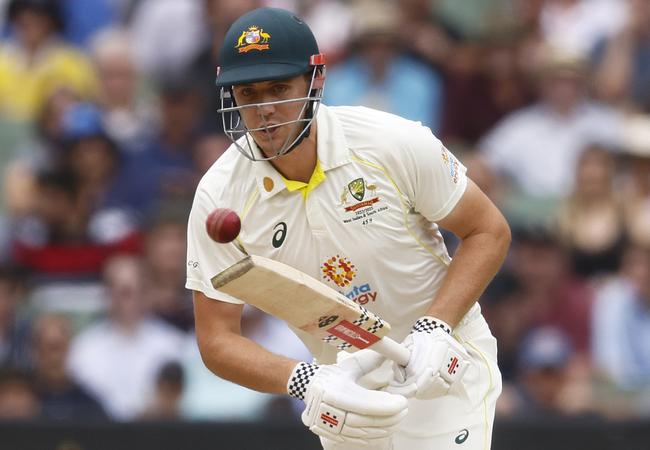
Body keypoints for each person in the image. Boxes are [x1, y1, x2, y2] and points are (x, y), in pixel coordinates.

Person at [186, 7, 510, 450]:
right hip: (347, 391)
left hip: (442, 364)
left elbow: (488, 230)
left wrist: (436, 327)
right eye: (247, 93)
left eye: (279, 88)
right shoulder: (219, 194)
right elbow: (216, 339)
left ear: (314, 82)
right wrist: (306, 379)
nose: (264, 110)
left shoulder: (390, 142)